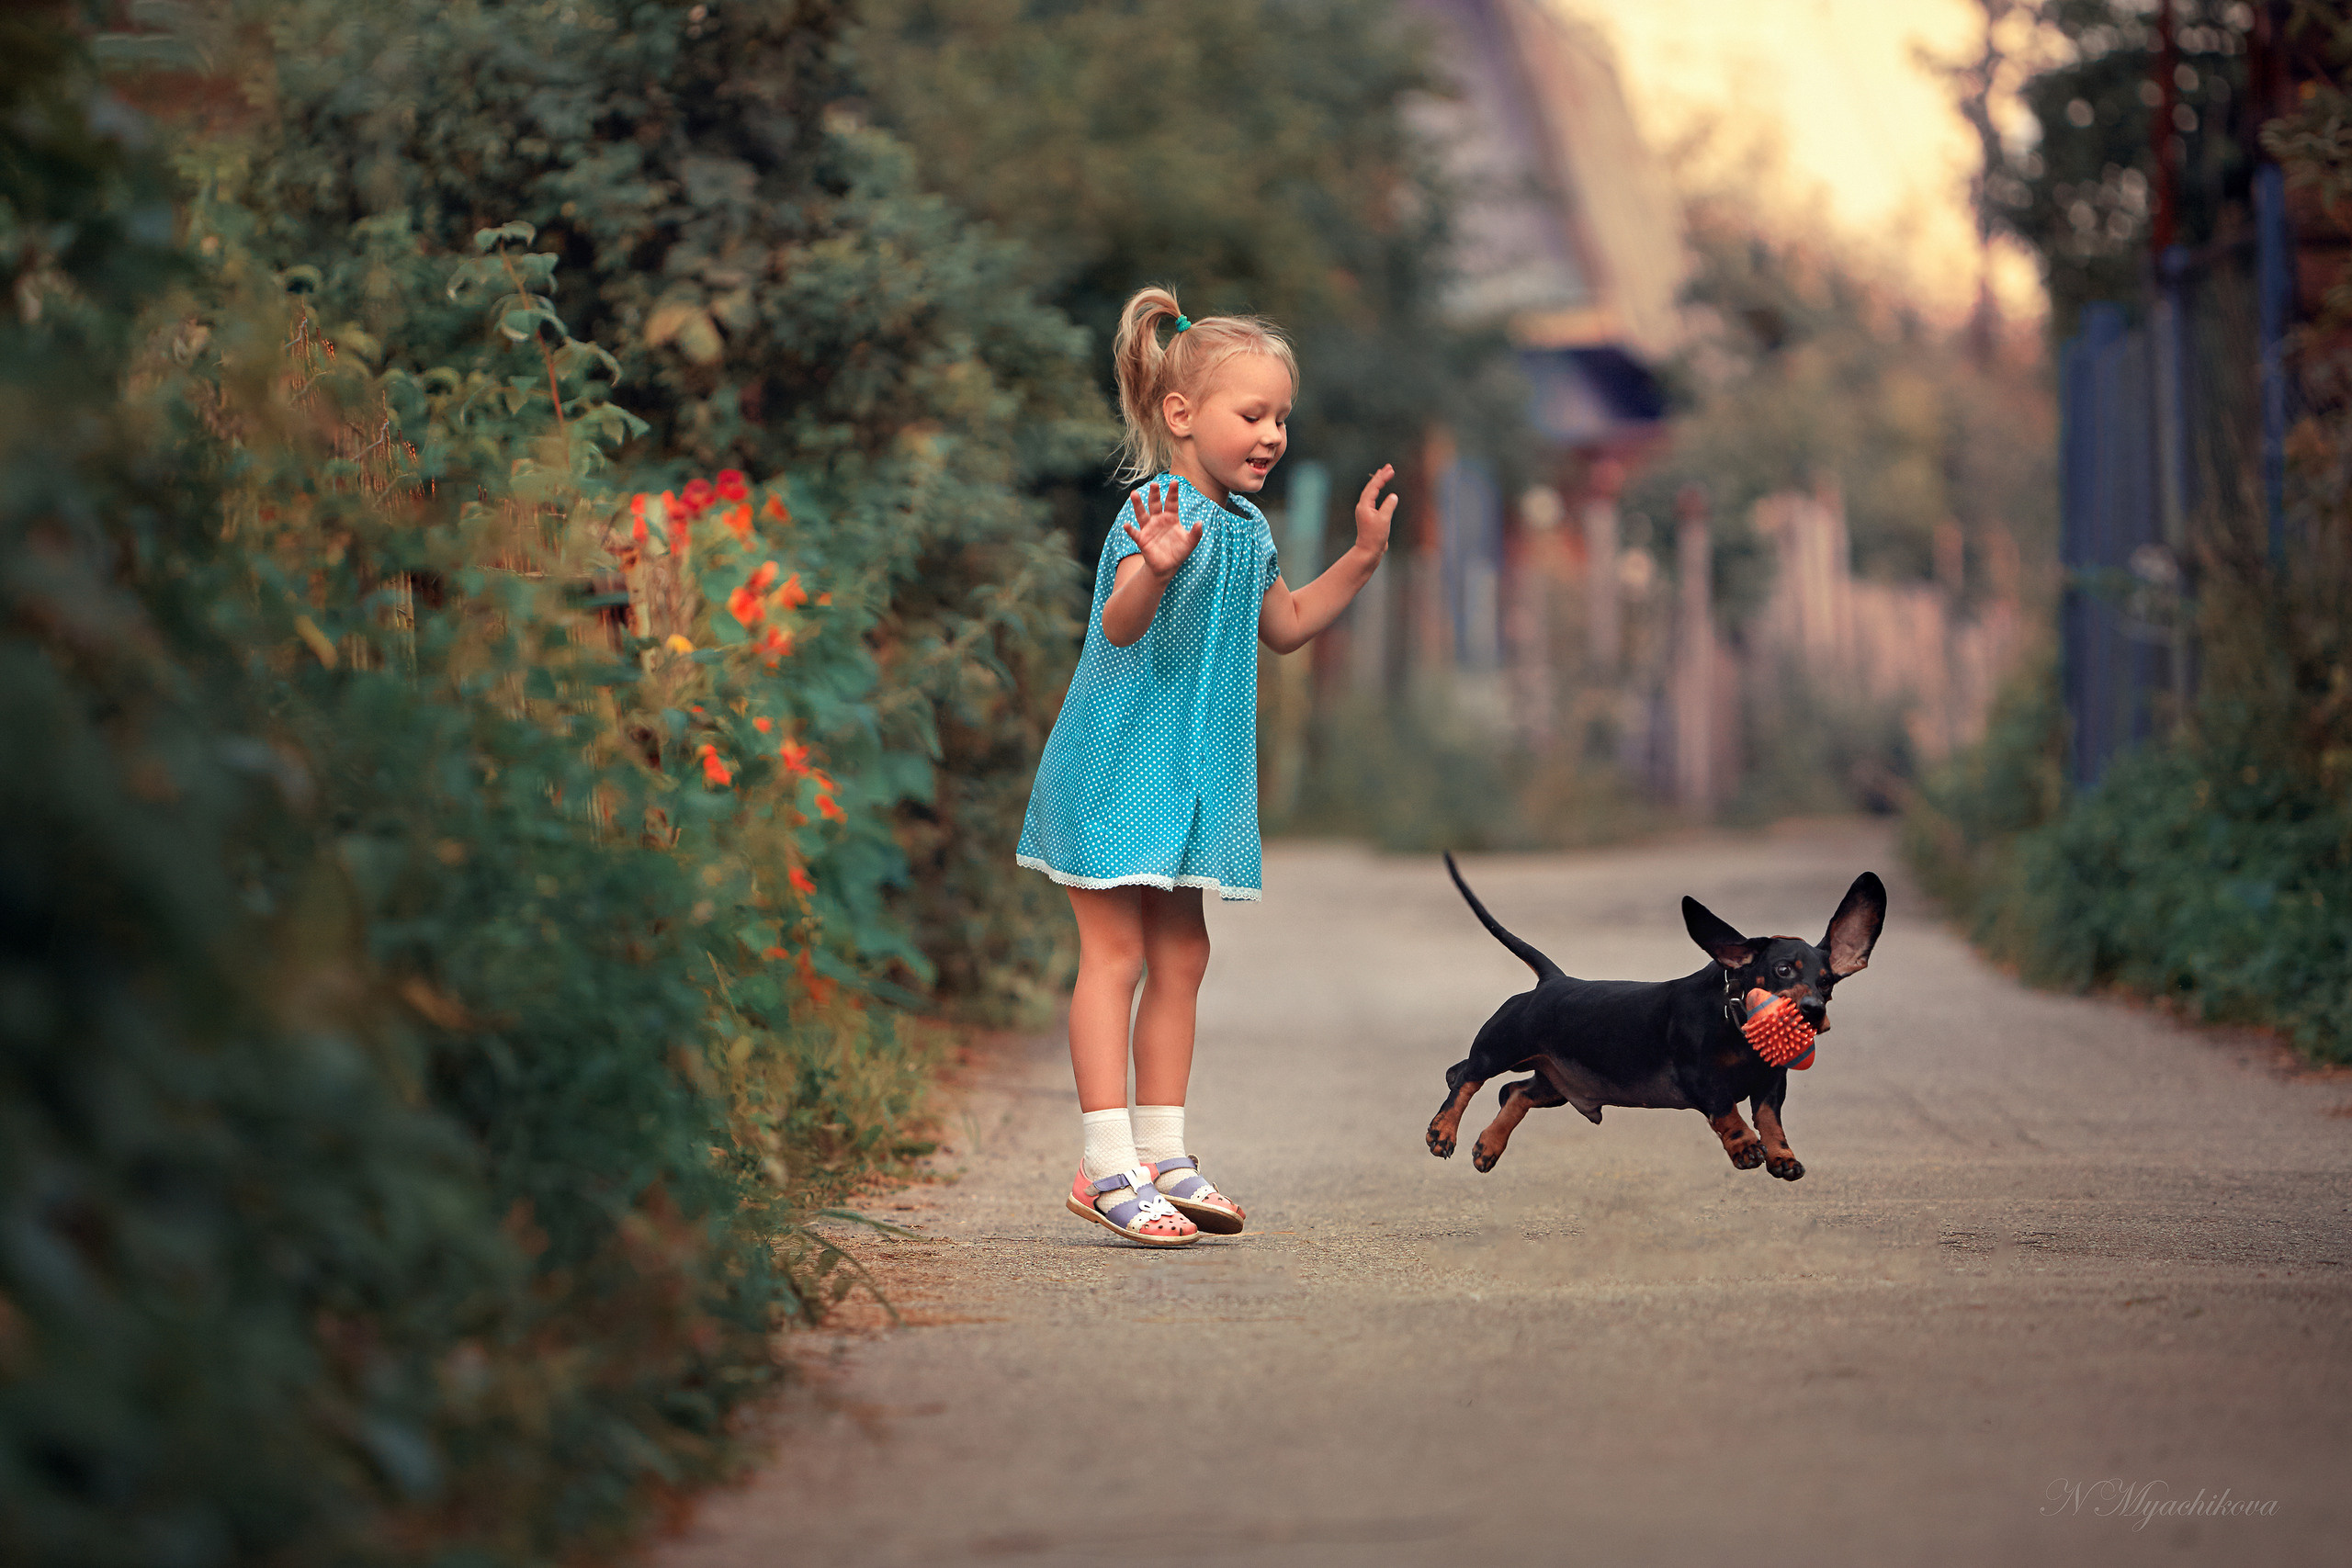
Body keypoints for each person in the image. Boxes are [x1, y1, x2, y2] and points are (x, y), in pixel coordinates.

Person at [1016, 285, 1397, 1246]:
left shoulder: (1247, 530)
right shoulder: (1156, 511)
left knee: (1183, 954)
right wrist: (1154, 562)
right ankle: (1105, 1168)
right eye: (1252, 414)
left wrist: (1357, 557)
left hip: (1187, 782)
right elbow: (1119, 623)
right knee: (1117, 956)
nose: (1271, 434)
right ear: (1181, 416)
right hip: (1115, 770)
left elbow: (1286, 628)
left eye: (1280, 418)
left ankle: (1164, 1154)